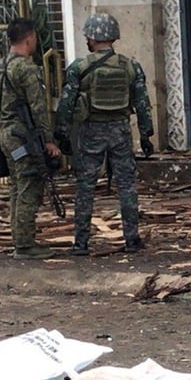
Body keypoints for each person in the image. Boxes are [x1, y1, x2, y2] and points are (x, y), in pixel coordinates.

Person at [54, 13, 154, 255]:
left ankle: (80, 243)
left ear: (91, 37)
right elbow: (142, 103)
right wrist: (146, 135)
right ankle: (131, 240)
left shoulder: (80, 67)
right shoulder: (131, 66)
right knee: (127, 185)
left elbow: (66, 104)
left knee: (85, 186)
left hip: (91, 132)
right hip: (120, 130)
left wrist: (63, 135)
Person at [0, 18, 62, 259]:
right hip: (23, 136)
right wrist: (48, 139)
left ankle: (19, 238)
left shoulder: (0, 66)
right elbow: (38, 107)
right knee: (29, 185)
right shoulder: (25, 68)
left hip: (6, 134)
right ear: (29, 38)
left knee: (17, 185)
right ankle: (24, 244)